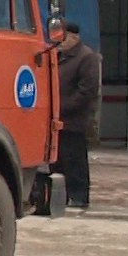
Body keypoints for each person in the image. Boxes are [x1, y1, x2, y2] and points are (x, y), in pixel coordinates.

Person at [50, 18, 101, 209]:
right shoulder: (56, 56)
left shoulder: (86, 57)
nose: (59, 41)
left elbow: (87, 90)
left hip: (74, 120)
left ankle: (79, 197)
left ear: (73, 37)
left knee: (75, 160)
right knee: (57, 161)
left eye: (62, 37)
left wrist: (62, 107)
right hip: (56, 119)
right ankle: (60, 198)